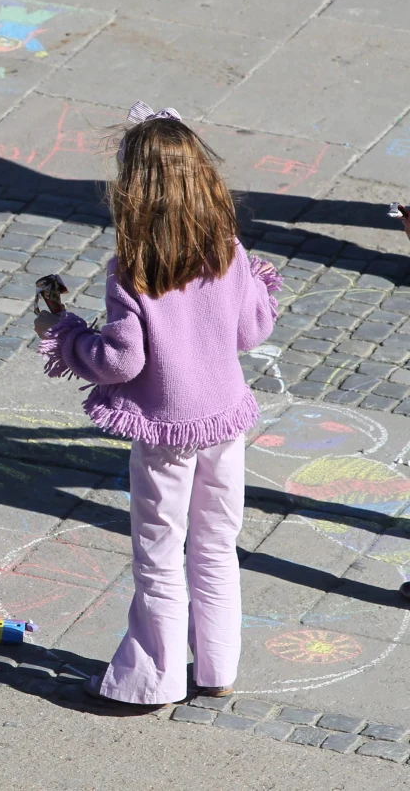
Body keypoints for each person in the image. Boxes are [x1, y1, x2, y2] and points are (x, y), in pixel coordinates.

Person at [34, 102, 282, 706]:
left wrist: (65, 333)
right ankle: (217, 668)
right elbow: (251, 331)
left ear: (134, 195)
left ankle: (155, 677)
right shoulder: (227, 249)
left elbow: (122, 361)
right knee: (218, 542)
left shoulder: (135, 269)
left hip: (167, 432)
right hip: (224, 420)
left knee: (160, 550)